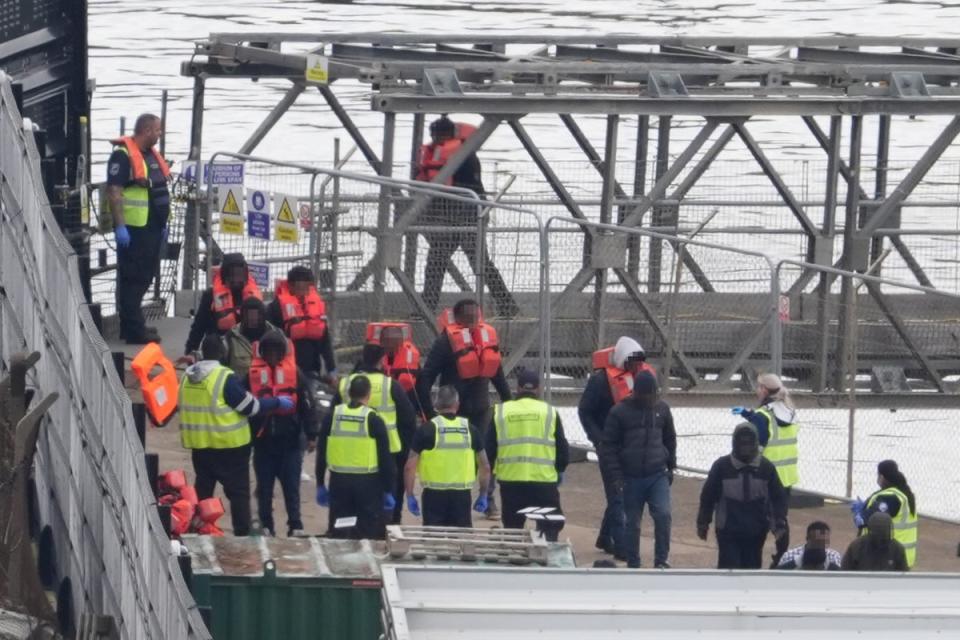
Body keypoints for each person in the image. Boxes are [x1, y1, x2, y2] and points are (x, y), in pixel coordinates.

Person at [178, 334, 293, 536]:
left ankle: (197, 530)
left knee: (203, 492)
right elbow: (250, 406)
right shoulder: (223, 377)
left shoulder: (187, 377)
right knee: (239, 494)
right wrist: (276, 402)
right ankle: (242, 534)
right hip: (229, 448)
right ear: (223, 353)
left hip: (201, 447)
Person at [417, 298, 511, 518]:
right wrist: (428, 412)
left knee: (485, 455)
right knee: (450, 456)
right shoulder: (445, 342)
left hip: (480, 408)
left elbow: (497, 374)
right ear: (456, 318)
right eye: (467, 317)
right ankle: (447, 496)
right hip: (452, 411)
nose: (472, 321)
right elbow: (427, 376)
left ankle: (488, 498)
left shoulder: (486, 338)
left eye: (475, 316)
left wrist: (509, 402)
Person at [415, 115, 517, 317]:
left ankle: (508, 305)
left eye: (440, 135)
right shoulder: (434, 155)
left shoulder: (465, 156)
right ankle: (426, 308)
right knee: (435, 261)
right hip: (447, 216)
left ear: (451, 134)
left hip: (470, 215)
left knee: (480, 263)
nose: (436, 139)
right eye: (434, 135)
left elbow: (470, 186)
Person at [578, 336, 648, 559]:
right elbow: (585, 411)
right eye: (633, 363)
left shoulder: (639, 379)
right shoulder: (600, 382)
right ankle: (622, 545)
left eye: (639, 363)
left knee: (620, 494)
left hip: (631, 447)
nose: (637, 367)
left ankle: (605, 537)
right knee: (618, 494)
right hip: (609, 447)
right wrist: (598, 439)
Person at [600, 371, 676, 569]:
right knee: (632, 522)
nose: (649, 399)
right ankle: (634, 562)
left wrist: (671, 466)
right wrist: (616, 476)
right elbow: (608, 446)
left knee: (663, 515)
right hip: (630, 476)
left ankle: (661, 560)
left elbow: (670, 438)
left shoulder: (663, 410)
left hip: (657, 473)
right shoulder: (619, 412)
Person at [106, 113, 170, 344]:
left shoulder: (149, 155)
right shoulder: (122, 156)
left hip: (152, 226)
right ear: (146, 130)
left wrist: (164, 224)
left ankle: (134, 324)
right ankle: (134, 330)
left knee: (145, 276)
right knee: (134, 278)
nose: (160, 135)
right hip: (134, 229)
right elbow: (114, 192)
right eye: (157, 130)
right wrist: (121, 226)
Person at [246, 330, 316, 537]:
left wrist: (312, 435)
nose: (272, 355)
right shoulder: (251, 376)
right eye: (268, 351)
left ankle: (295, 525)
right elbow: (242, 401)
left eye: (276, 351)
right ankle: (266, 525)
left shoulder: (296, 375)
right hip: (263, 442)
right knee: (264, 488)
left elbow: (307, 405)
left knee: (291, 488)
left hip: (291, 442)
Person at [338, 343, 417, 524]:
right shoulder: (390, 385)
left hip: (352, 449)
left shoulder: (347, 383)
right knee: (390, 492)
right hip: (388, 449)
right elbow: (408, 417)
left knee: (356, 496)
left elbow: (334, 415)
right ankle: (391, 524)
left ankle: (353, 527)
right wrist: (406, 446)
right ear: (382, 361)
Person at [486, 369, 569, 541]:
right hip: (543, 482)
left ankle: (516, 561)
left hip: (511, 482)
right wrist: (559, 470)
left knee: (513, 528)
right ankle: (546, 558)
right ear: (538, 389)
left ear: (517, 388)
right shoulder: (549, 412)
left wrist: (491, 476)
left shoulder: (501, 411)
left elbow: (489, 449)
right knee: (549, 528)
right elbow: (562, 449)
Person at [697, 423, 788, 569]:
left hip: (756, 531)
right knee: (729, 570)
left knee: (752, 569)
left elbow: (778, 498)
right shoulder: (721, 466)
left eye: (749, 443)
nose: (745, 447)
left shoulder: (767, 468)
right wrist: (703, 522)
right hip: (727, 531)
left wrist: (779, 523)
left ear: (756, 443)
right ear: (734, 443)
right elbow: (708, 496)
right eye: (742, 443)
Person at [315, 376, 396, 540]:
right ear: (368, 394)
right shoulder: (374, 419)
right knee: (366, 531)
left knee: (341, 528)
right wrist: (388, 488)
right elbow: (385, 458)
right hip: (368, 485)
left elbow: (321, 451)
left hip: (339, 482)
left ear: (350, 393)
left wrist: (320, 483)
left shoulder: (333, 416)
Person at [732, 372, 799, 565]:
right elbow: (773, 424)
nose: (756, 390)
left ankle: (753, 559)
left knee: (758, 521)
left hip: (766, 477)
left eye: (758, 387)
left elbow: (757, 446)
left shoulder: (763, 415)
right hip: (786, 476)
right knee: (780, 519)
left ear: (764, 390)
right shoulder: (790, 411)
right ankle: (780, 558)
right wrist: (749, 414)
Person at [404, 386, 491, 527]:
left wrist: (409, 495)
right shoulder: (470, 429)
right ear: (457, 405)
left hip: (433, 497)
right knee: (460, 541)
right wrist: (483, 494)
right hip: (461, 497)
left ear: (436, 404)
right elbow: (485, 466)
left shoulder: (427, 430)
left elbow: (409, 467)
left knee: (435, 541)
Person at [182, 253, 261, 361]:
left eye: (240, 275)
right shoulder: (210, 295)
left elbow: (263, 326)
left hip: (245, 351)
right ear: (225, 276)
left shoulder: (252, 298)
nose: (237, 280)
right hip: (218, 350)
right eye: (233, 276)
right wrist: (190, 351)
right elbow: (199, 326)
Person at [267, 265, 336, 380]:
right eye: (299, 286)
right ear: (290, 286)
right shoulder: (276, 307)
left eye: (307, 286)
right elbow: (270, 338)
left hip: (312, 369)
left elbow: (325, 341)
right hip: (284, 368)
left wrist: (332, 369)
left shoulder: (316, 305)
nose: (303, 291)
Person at [851, 459, 918, 568]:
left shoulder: (889, 497)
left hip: (887, 556)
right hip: (903, 556)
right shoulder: (904, 494)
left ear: (881, 477)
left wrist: (859, 513)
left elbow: (865, 521)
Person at [367, 322, 422, 411]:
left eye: (392, 341)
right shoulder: (377, 357)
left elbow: (420, 386)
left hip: (403, 403)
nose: (389, 344)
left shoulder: (409, 361)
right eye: (386, 341)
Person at [222, 297, 278, 379]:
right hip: (239, 389)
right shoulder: (230, 338)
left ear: (263, 316)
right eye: (249, 318)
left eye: (256, 318)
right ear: (242, 317)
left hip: (268, 389)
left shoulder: (277, 337)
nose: (253, 321)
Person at [841, 512, 909, 572]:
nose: (881, 537)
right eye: (879, 533)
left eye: (884, 532)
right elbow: (845, 573)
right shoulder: (857, 547)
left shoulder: (897, 549)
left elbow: (904, 577)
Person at [776, 521, 842, 570]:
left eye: (824, 542)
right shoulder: (790, 556)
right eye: (817, 542)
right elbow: (778, 578)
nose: (820, 546)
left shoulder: (834, 556)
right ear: (807, 539)